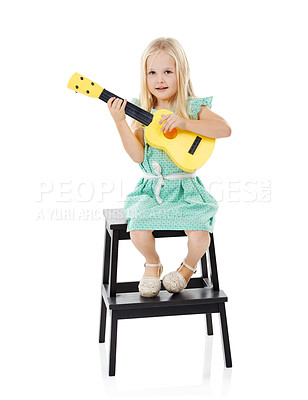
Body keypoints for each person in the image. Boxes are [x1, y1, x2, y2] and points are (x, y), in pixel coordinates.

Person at [107, 37, 231, 298]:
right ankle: (152, 264)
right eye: (152, 72)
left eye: (167, 72)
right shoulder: (142, 111)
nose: (159, 79)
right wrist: (120, 122)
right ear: (144, 77)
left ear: (180, 73)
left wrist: (185, 124)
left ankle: (186, 269)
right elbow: (137, 155)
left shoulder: (192, 107)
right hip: (153, 190)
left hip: (186, 188)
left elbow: (224, 129)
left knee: (200, 235)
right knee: (138, 228)